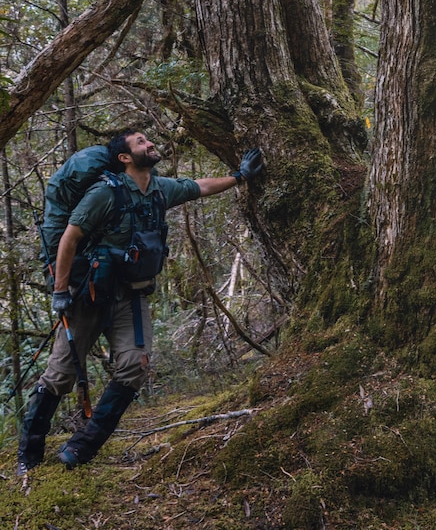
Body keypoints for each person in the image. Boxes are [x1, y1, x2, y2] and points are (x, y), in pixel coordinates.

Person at [17, 130, 263, 475]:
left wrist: (240, 176)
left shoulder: (160, 189)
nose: (150, 144)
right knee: (60, 374)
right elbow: (69, 238)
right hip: (87, 296)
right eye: (141, 143)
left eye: (148, 140)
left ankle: (80, 448)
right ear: (125, 158)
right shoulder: (105, 194)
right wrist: (60, 291)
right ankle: (28, 455)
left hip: (130, 297)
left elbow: (200, 186)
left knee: (135, 366)